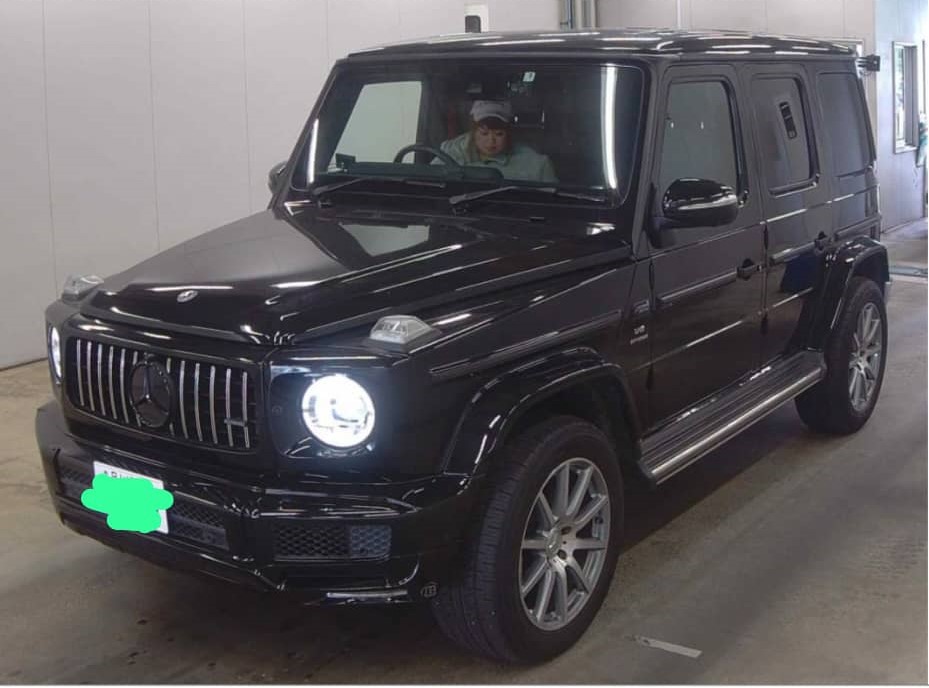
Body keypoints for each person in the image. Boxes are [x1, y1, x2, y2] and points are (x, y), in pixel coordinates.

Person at [435, 100, 558, 183]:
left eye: (499, 134)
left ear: (508, 134)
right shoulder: (450, 154)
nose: (491, 141)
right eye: (484, 133)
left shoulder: (535, 165)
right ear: (473, 133)